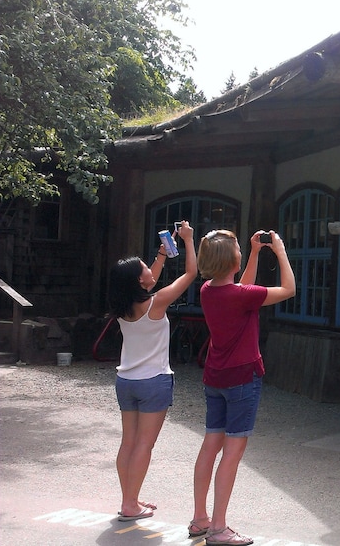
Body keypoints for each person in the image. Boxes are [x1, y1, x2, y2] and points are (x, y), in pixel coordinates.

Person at [190, 229, 295, 546]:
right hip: (242, 380)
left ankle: (200, 519)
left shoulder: (208, 291)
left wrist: (254, 253)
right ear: (231, 260)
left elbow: (242, 287)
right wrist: (279, 251)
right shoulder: (240, 296)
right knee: (232, 454)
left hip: (215, 377)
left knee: (210, 446)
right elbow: (289, 289)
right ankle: (220, 528)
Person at [108, 221, 197, 522]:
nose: (150, 269)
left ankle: (128, 500)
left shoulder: (124, 305)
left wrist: (160, 256)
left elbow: (149, 282)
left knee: (128, 443)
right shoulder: (156, 303)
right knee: (145, 444)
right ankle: (131, 505)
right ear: (138, 279)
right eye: (145, 267)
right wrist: (188, 241)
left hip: (126, 381)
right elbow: (191, 274)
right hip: (154, 382)